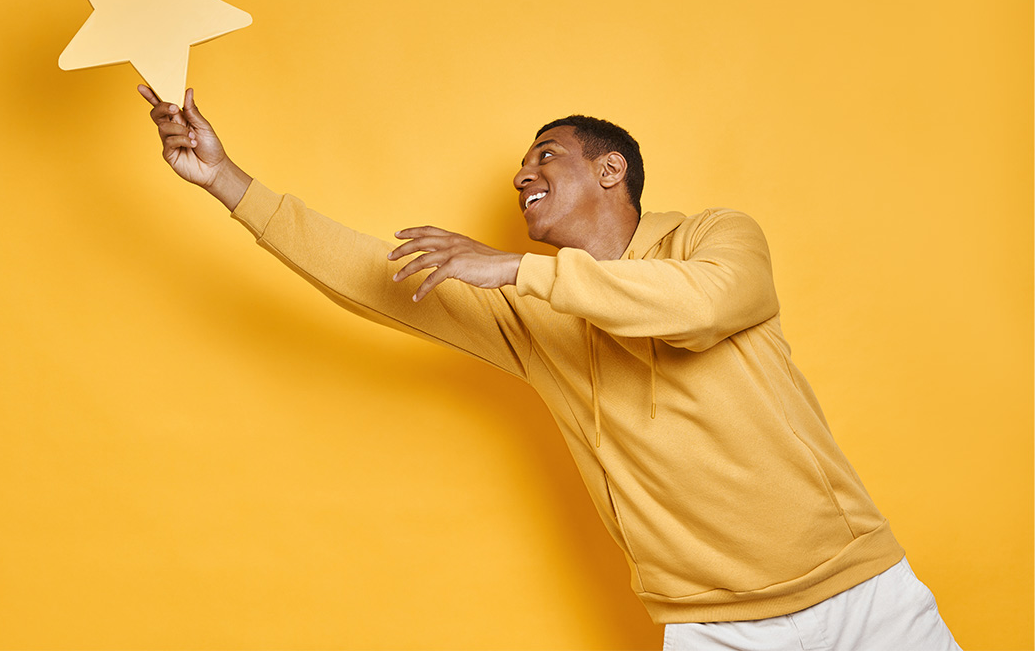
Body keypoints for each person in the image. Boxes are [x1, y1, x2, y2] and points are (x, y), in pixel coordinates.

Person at [140, 85, 962, 651]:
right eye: (520, 168)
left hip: (863, 595)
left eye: (546, 157)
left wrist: (517, 271)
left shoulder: (714, 234)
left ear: (612, 170)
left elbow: (709, 305)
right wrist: (226, 183)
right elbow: (376, 282)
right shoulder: (532, 319)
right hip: (715, 628)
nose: (521, 176)